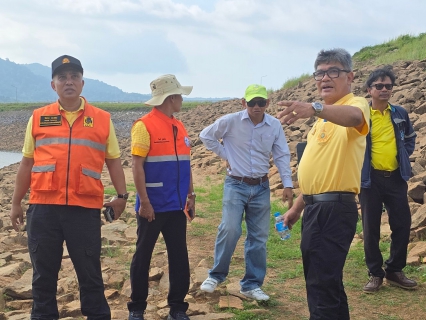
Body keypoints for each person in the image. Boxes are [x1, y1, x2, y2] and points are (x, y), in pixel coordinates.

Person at [9, 55, 128, 320]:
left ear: (83, 83)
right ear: (53, 85)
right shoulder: (38, 118)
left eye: (74, 76)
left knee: (90, 276)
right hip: (43, 210)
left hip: (83, 210)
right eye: (62, 77)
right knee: (43, 278)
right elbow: (27, 164)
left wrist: (122, 197)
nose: (69, 82)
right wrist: (16, 203)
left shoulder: (102, 119)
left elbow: (114, 163)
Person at [277, 48, 370, 319]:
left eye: (333, 71)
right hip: (316, 209)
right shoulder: (321, 120)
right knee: (326, 283)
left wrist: (315, 108)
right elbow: (319, 175)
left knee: (321, 285)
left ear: (350, 76)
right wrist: (295, 210)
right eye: (319, 73)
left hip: (334, 210)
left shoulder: (356, 103)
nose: (324, 78)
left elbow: (355, 118)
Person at [199, 84, 294, 301]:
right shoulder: (230, 121)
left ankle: (251, 284)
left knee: (258, 237)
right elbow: (206, 136)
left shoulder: (274, 125)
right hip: (236, 184)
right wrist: (226, 155)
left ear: (267, 103)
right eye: (252, 103)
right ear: (244, 103)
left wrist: (287, 184)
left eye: (261, 102)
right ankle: (216, 275)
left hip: (261, 186)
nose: (256, 107)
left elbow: (281, 155)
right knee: (230, 228)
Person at [127, 74, 195, 320]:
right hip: (153, 207)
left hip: (177, 206)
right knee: (143, 256)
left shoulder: (179, 125)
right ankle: (137, 308)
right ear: (171, 97)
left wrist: (191, 195)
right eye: (180, 96)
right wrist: (144, 202)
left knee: (179, 257)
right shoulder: (143, 126)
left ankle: (177, 307)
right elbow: (136, 167)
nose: (182, 100)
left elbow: (186, 164)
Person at [360, 68, 417, 293]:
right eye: (379, 86)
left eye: (388, 86)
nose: (384, 90)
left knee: (402, 224)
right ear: (369, 89)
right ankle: (375, 273)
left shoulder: (400, 112)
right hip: (370, 179)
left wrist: (402, 157)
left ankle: (395, 270)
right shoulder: (362, 114)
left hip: (396, 177)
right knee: (370, 226)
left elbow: (410, 139)